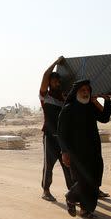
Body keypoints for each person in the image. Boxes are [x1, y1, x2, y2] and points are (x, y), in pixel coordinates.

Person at [57, 79, 111, 219]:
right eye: (82, 90)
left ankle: (85, 210)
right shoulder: (68, 108)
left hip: (94, 151)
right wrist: (64, 152)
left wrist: (107, 102)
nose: (86, 93)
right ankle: (71, 197)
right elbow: (61, 132)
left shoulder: (90, 106)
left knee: (94, 180)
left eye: (87, 90)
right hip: (76, 153)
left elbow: (105, 118)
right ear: (76, 92)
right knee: (84, 181)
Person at [39, 56, 73, 201]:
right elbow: (45, 75)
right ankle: (46, 191)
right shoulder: (45, 96)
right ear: (49, 83)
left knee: (67, 165)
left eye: (58, 81)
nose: (57, 82)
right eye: (54, 80)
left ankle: (72, 191)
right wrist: (55, 62)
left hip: (63, 137)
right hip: (49, 136)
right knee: (49, 165)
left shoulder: (64, 98)